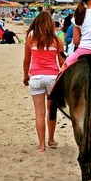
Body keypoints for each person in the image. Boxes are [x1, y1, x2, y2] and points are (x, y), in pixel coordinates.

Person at [23, 11, 64, 152]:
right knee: (51, 111)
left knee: (39, 113)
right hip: (52, 78)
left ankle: (42, 145)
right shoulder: (57, 40)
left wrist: (25, 76)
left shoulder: (31, 39)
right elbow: (62, 62)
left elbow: (26, 60)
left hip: (36, 77)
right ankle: (51, 139)